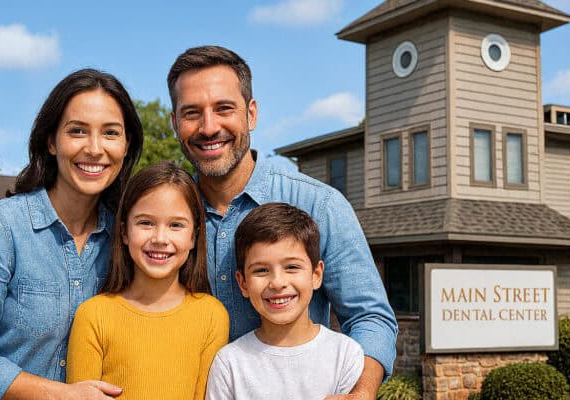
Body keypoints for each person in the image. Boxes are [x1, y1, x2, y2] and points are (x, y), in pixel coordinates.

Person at [167, 45, 398, 398]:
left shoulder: (321, 205)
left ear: (251, 114)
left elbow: (371, 318)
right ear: (174, 123)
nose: (209, 127)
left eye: (224, 108)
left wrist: (361, 392)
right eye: (192, 113)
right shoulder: (164, 219)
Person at [0, 68, 144, 400]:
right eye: (77, 131)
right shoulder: (0, 228)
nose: (94, 148)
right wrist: (62, 394)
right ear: (51, 141)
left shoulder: (128, 240)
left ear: (126, 145)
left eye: (110, 133)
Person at [66, 161, 229, 399]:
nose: (160, 238)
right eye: (145, 223)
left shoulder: (212, 315)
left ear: (194, 237)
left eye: (176, 225)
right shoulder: (93, 315)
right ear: (123, 232)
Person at [206, 202, 365, 399]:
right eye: (261, 270)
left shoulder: (345, 355)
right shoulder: (229, 364)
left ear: (316, 274)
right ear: (243, 283)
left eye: (291, 267)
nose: (277, 283)